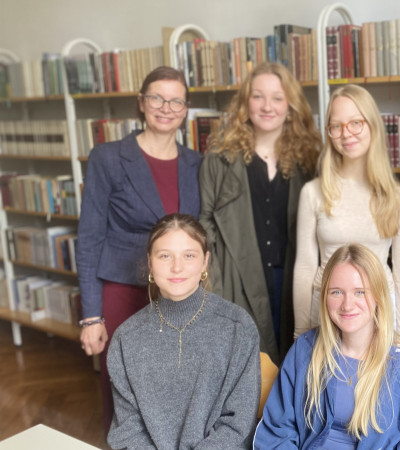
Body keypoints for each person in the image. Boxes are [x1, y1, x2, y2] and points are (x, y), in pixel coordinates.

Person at [76, 66, 202, 432]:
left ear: (185, 109)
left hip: (178, 293)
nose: (166, 107)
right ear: (141, 102)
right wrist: (91, 317)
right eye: (156, 98)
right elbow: (89, 238)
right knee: (123, 383)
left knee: (176, 383)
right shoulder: (108, 157)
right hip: (123, 290)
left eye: (176, 101)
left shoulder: (196, 163)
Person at [255, 244, 400, 448]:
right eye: (336, 292)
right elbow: (277, 432)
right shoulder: (305, 349)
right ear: (325, 297)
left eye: (360, 292)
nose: (347, 305)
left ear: (378, 295)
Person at [199, 62, 321, 362]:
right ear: (245, 103)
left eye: (277, 98)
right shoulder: (218, 160)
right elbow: (206, 231)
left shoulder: (310, 161)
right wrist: (216, 291)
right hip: (238, 280)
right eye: (258, 96)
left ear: (290, 106)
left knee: (295, 361)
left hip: (294, 278)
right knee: (248, 367)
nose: (267, 106)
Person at [107, 213, 259, 449]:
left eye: (189, 255)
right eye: (165, 256)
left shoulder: (238, 328)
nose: (177, 267)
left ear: (205, 261)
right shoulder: (125, 339)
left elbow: (238, 425)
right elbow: (128, 431)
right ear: (150, 262)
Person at [293, 84, 400, 341]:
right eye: (336, 126)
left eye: (355, 123)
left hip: (380, 314)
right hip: (325, 314)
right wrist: (301, 334)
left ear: (372, 125)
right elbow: (305, 267)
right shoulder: (312, 193)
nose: (345, 133)